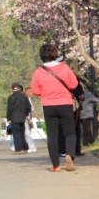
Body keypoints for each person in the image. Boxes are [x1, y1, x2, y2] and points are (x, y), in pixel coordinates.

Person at [30, 44, 78, 172]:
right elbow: (74, 84)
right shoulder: (64, 68)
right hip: (65, 103)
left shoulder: (38, 72)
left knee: (52, 136)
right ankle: (69, 155)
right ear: (56, 54)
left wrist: (46, 93)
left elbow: (35, 90)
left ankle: (56, 165)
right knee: (69, 132)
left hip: (49, 105)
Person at [7, 82, 31, 155]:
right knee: (22, 133)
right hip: (22, 117)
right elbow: (28, 107)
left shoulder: (11, 97)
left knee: (16, 134)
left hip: (14, 118)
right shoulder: (24, 96)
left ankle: (18, 149)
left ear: (12, 89)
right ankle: (25, 148)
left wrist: (9, 117)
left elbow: (9, 108)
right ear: (19, 88)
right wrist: (26, 114)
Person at [24, 87, 37, 153]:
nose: (32, 94)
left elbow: (32, 109)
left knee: (27, 133)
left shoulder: (28, 99)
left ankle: (32, 147)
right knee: (26, 133)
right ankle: (30, 146)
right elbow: (31, 109)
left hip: (27, 117)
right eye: (31, 92)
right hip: (26, 117)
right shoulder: (26, 98)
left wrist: (34, 116)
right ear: (28, 92)